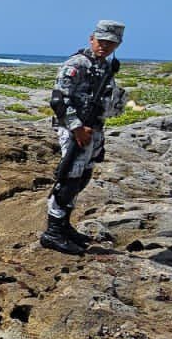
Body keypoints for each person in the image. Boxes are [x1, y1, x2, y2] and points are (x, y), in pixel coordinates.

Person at [40, 20, 127, 255]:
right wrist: (77, 128)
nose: (105, 47)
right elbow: (59, 99)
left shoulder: (106, 66)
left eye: (111, 43)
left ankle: (64, 225)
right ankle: (53, 232)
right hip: (74, 129)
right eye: (101, 42)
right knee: (69, 177)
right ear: (92, 39)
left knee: (83, 176)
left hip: (95, 129)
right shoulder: (77, 63)